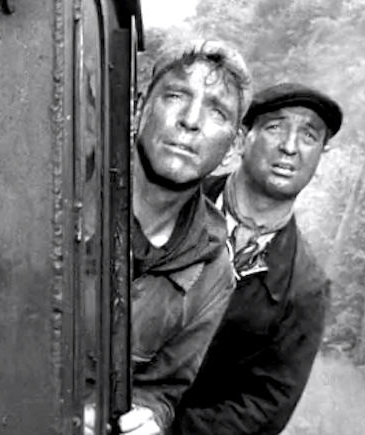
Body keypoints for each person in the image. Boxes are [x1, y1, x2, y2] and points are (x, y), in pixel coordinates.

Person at [87, 40, 252, 435]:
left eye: (217, 111)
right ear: (139, 108)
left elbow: (160, 390)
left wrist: (149, 420)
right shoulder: (61, 193)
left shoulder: (213, 271)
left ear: (234, 148)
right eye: (176, 95)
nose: (191, 121)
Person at [173, 83, 342, 435]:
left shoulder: (306, 288)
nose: (290, 147)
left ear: (321, 157)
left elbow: (265, 407)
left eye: (309, 135)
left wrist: (163, 427)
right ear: (242, 138)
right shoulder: (173, 203)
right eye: (275, 127)